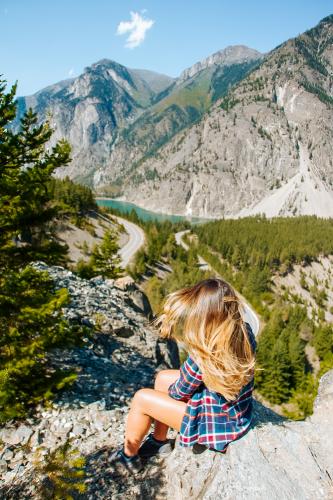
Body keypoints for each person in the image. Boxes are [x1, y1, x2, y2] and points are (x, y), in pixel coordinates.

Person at [108, 277, 257, 475]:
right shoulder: (242, 331)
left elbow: (180, 391)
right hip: (233, 413)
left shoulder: (205, 351)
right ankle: (159, 441)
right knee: (162, 377)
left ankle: (128, 457)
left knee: (142, 399)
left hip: (216, 425)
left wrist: (163, 398)